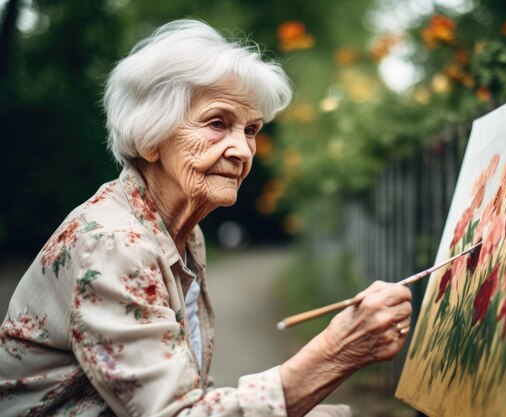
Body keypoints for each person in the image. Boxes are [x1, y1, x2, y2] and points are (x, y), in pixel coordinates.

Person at [0, 19, 412, 417]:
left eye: (251, 130)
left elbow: (182, 392)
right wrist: (337, 352)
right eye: (218, 123)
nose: (243, 151)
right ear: (151, 136)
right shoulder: (113, 243)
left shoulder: (184, 235)